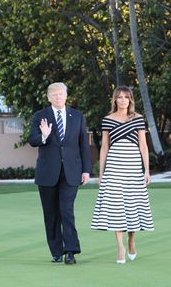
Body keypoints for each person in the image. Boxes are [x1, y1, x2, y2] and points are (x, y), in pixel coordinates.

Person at [29, 82, 92, 264]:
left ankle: (70, 250)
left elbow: (83, 146)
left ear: (66, 96)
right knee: (51, 214)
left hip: (71, 172)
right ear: (49, 98)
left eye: (61, 94)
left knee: (66, 210)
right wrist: (44, 136)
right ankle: (56, 251)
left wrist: (86, 170)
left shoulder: (77, 116)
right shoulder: (40, 116)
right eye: (54, 94)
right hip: (47, 172)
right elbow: (32, 140)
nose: (58, 97)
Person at [91, 86, 154, 264]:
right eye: (120, 97)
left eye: (126, 97)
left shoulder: (138, 119)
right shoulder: (107, 120)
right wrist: (101, 173)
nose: (123, 100)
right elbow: (104, 147)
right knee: (116, 207)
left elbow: (143, 145)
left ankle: (131, 239)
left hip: (133, 168)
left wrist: (146, 170)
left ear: (130, 100)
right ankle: (120, 248)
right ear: (115, 100)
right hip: (114, 168)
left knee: (132, 205)